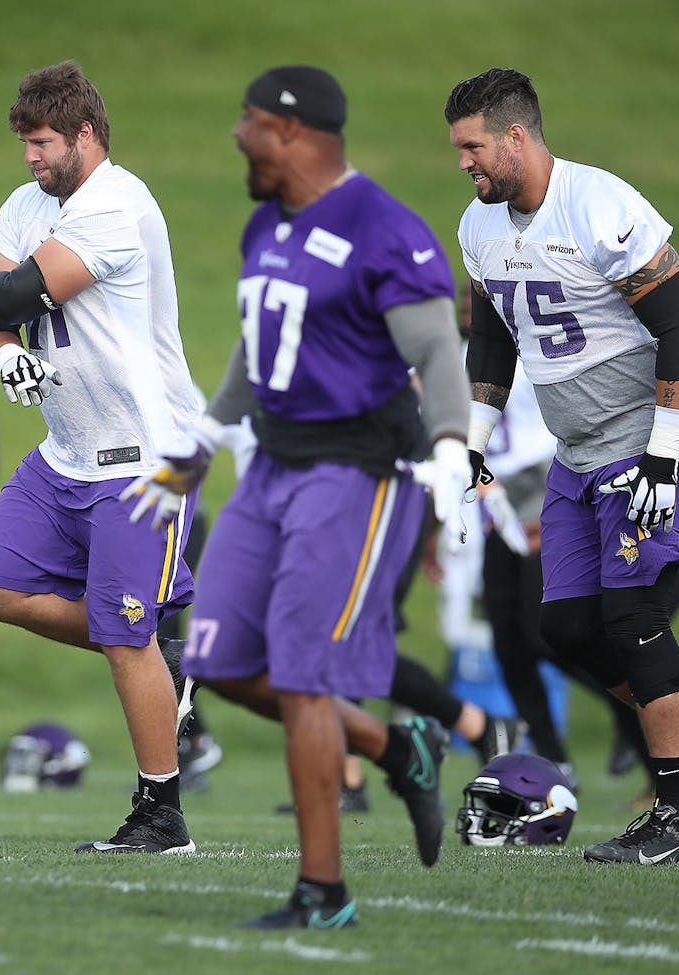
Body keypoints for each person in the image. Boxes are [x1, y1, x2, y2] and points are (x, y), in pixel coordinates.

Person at [127, 66, 471, 928]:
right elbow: (260, 347)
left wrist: (454, 448)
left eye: (246, 123)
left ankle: (323, 894)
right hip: (272, 466)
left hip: (355, 471)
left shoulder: (383, 227)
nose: (235, 138)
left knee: (307, 677)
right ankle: (398, 745)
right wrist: (199, 445)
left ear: (290, 131)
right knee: (222, 662)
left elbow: (435, 354)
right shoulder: (263, 226)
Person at [445, 67, 679, 864]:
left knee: (631, 615)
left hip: (646, 439)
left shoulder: (599, 206)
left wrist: (664, 452)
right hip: (577, 452)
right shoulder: (480, 228)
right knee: (566, 626)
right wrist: (472, 435)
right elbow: (494, 337)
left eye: (473, 147)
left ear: (516, 136)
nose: (465, 164)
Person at [0, 61, 204, 851]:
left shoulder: (118, 204)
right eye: (25, 144)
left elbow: (3, 293)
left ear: (85, 134)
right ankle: (154, 649)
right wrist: (4, 354)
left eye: (42, 142)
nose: (32, 158)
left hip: (147, 453)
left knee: (122, 632)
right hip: (69, 449)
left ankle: (161, 812)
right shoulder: (25, 202)